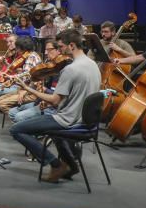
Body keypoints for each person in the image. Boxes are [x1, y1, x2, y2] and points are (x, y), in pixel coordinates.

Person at [9, 29, 101, 183]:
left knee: (16, 129)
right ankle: (71, 166)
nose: (59, 51)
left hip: (68, 120)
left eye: (61, 47)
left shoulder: (70, 69)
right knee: (54, 133)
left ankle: (56, 164)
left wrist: (27, 89)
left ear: (71, 46)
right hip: (87, 122)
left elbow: (55, 100)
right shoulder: (93, 65)